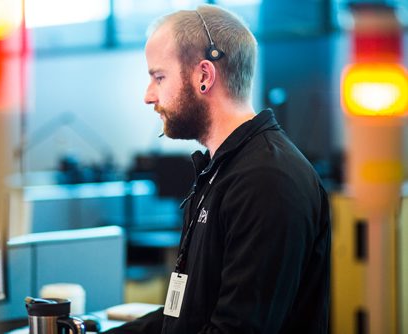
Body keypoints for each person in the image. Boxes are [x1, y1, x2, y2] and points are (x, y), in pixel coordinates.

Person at [104, 4, 330, 334]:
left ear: (204, 76)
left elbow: (237, 328)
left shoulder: (266, 180)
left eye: (158, 77)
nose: (148, 96)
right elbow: (182, 317)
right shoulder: (219, 170)